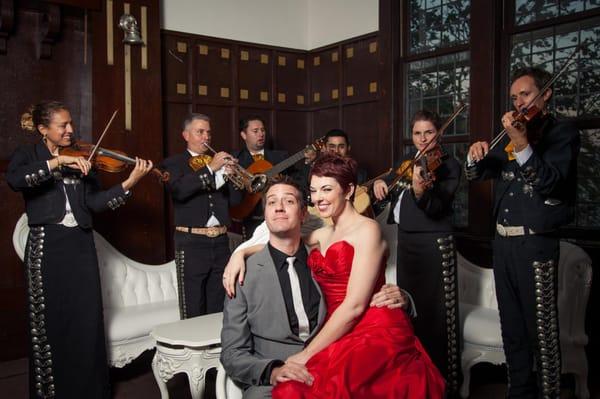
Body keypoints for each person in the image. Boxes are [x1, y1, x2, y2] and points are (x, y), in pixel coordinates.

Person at [222, 156, 445, 398]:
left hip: (369, 325)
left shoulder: (367, 229)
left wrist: (305, 356)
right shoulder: (321, 235)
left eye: (327, 189)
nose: (318, 198)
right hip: (337, 332)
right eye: (314, 190)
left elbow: (355, 305)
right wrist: (241, 253)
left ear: (349, 190)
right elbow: (286, 243)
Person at [7, 101, 153, 399]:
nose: (70, 130)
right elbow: (15, 179)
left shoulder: (83, 158)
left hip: (80, 246)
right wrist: (56, 162)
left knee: (86, 321)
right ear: (43, 129)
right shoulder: (29, 156)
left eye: (70, 123)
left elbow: (94, 204)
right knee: (51, 323)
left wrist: (128, 183)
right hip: (47, 249)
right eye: (62, 125)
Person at [465, 66, 580, 398]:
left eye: (525, 95)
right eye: (514, 98)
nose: (518, 103)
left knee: (540, 333)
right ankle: (519, 394)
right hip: (503, 244)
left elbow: (549, 182)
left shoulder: (562, 134)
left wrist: (522, 142)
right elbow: (480, 173)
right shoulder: (513, 133)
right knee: (512, 331)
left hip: (536, 244)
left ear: (545, 95)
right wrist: (475, 156)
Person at [372, 110, 461, 392]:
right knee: (411, 314)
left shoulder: (449, 166)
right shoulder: (407, 162)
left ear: (440, 133)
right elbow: (386, 182)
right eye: (418, 133)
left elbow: (438, 208)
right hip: (408, 244)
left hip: (434, 245)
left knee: (437, 319)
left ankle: (445, 385)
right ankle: (419, 382)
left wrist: (421, 192)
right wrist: (378, 183)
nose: (423, 139)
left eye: (429, 132)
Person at [160, 113, 238, 319]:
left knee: (219, 306)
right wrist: (211, 168)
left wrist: (230, 174)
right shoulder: (173, 163)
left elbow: (236, 203)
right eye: (200, 132)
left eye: (209, 133)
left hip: (221, 242)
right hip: (191, 242)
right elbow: (179, 191)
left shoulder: (219, 165)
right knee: (192, 306)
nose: (206, 137)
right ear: (186, 135)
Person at [231, 115, 290, 237]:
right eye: (255, 131)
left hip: (279, 216)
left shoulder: (280, 157)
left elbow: (296, 182)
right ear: (244, 135)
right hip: (249, 219)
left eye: (263, 130)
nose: (261, 134)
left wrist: (282, 181)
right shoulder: (235, 159)